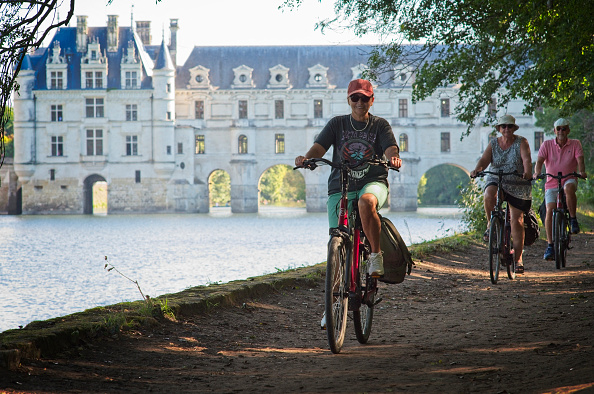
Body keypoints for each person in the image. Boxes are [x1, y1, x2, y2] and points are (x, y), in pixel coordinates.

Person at [295, 79, 402, 278]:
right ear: (348, 100)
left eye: (364, 98)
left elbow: (390, 147)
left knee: (366, 202)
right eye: (355, 97)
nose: (359, 102)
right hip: (340, 185)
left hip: (373, 181)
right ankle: (335, 301)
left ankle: (376, 255)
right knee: (336, 238)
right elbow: (320, 146)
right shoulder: (337, 124)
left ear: (372, 100)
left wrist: (393, 158)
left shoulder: (380, 125)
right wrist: (307, 159)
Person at [470, 114, 533, 273]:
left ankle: (518, 260)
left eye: (509, 126)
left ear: (513, 128)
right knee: (488, 195)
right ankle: (490, 225)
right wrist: (477, 170)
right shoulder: (493, 143)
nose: (506, 129)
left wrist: (527, 172)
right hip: (497, 178)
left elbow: (526, 159)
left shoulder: (521, 142)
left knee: (517, 221)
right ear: (499, 128)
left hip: (517, 182)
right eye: (503, 126)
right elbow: (484, 160)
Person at [533, 118, 587, 260]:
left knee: (569, 188)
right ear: (554, 131)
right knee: (550, 210)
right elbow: (539, 161)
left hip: (569, 178)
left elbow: (580, 160)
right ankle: (550, 245)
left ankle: (573, 220)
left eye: (564, 129)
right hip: (551, 182)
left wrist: (581, 172)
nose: (561, 131)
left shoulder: (575, 144)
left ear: (568, 130)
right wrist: (536, 172)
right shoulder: (547, 144)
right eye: (559, 129)